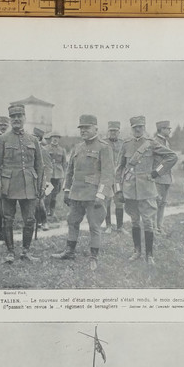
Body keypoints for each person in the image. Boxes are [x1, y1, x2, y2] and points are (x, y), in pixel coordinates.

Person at [52, 114, 114, 271]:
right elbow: (70, 171)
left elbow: (107, 175)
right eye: (81, 128)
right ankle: (69, 251)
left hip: (94, 195)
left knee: (94, 226)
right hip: (77, 194)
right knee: (72, 221)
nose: (83, 131)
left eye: (87, 127)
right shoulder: (77, 147)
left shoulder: (104, 147)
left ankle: (94, 257)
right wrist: (66, 190)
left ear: (96, 128)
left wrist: (101, 195)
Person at [116, 116, 177, 266]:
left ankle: (149, 255)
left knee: (148, 222)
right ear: (132, 128)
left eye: (140, 127)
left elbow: (171, 157)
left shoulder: (151, 144)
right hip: (130, 188)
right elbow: (119, 169)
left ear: (144, 127)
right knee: (134, 221)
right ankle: (137, 251)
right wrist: (118, 190)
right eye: (135, 127)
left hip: (147, 188)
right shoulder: (126, 144)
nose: (138, 129)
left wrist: (156, 172)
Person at [0, 103, 44, 263]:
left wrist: (41, 186)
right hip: (9, 185)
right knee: (8, 219)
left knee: (30, 219)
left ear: (25, 118)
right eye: (13, 117)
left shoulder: (33, 139)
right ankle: (10, 252)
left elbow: (39, 165)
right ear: (10, 119)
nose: (16, 119)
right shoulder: (2, 139)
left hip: (29, 185)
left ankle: (26, 252)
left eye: (19, 116)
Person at [154, 120, 178, 235]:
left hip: (166, 177)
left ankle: (159, 227)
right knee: (156, 202)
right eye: (168, 128)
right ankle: (154, 228)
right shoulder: (155, 141)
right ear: (162, 129)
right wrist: (157, 172)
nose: (169, 130)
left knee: (162, 203)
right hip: (158, 177)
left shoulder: (165, 142)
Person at [104, 121, 126, 234]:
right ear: (108, 131)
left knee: (119, 201)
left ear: (119, 132)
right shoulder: (103, 143)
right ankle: (108, 226)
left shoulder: (123, 143)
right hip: (107, 177)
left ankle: (120, 226)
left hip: (118, 178)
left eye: (115, 131)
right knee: (107, 201)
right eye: (111, 130)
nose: (113, 133)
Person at [33, 127, 53, 231]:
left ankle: (44, 222)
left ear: (40, 139)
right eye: (33, 137)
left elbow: (49, 167)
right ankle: (38, 221)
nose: (34, 139)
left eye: (36, 138)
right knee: (33, 203)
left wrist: (47, 182)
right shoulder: (29, 149)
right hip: (31, 179)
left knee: (40, 202)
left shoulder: (43, 151)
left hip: (41, 179)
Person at [46, 130, 67, 219]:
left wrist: (64, 175)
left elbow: (64, 163)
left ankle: (52, 211)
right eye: (53, 137)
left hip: (58, 174)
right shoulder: (46, 148)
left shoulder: (62, 150)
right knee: (47, 194)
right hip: (48, 173)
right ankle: (46, 211)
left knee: (54, 194)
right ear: (50, 138)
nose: (55, 139)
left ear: (59, 139)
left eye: (57, 138)